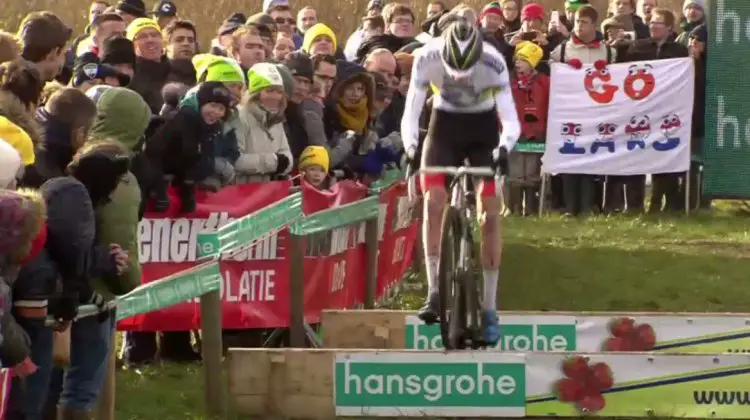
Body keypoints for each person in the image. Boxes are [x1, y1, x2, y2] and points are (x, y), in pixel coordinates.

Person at [400, 19, 520, 344]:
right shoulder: (427, 57)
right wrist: (411, 148)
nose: (460, 77)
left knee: (491, 212)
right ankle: (434, 291)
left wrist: (504, 150)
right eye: (454, 70)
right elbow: (412, 110)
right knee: (434, 199)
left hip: (483, 132)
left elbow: (510, 119)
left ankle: (490, 308)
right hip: (444, 129)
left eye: (466, 70)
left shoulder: (494, 62)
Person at [146, 81, 232, 213]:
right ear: (201, 103)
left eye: (221, 109)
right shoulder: (181, 122)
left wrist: (189, 186)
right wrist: (158, 188)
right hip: (158, 178)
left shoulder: (212, 128)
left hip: (180, 180)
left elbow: (198, 159)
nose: (216, 112)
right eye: (212, 105)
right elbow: (154, 153)